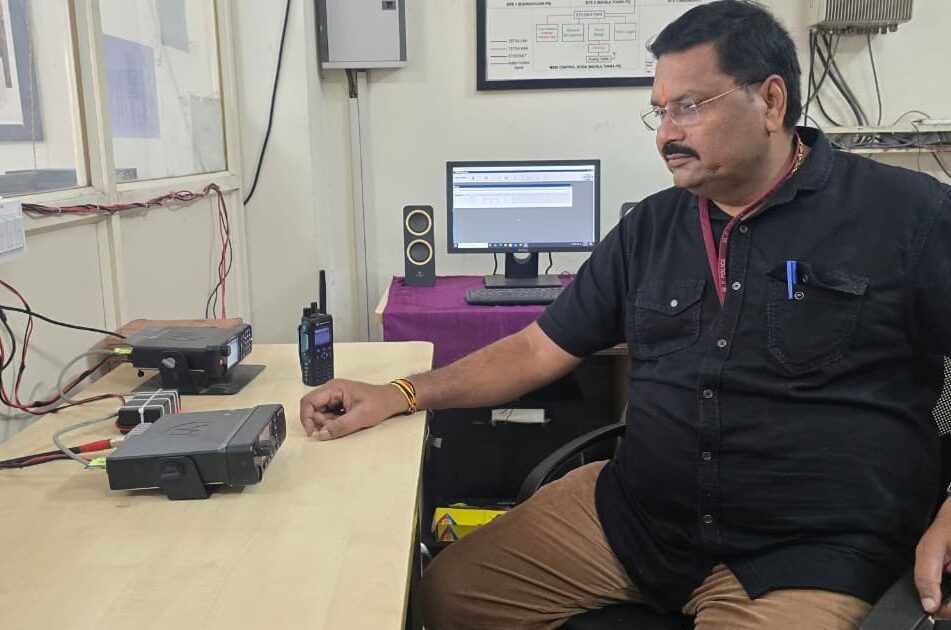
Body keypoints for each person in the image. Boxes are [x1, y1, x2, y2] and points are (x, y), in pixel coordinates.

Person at [299, 1, 951, 628]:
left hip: (808, 552)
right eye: (659, 111)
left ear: (771, 101)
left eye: (689, 106)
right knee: (448, 594)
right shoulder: (651, 229)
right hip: (638, 522)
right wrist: (401, 393)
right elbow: (536, 349)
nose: (667, 133)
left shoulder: (906, 216)